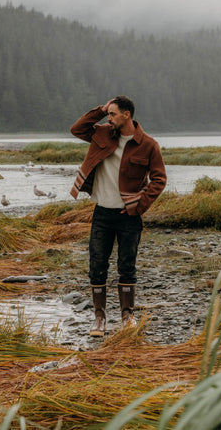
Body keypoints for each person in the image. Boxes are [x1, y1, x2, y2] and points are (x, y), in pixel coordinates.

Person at [70, 96, 167, 337]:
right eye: (108, 114)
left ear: (127, 115)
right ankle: (99, 318)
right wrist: (101, 109)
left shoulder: (148, 144)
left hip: (129, 216)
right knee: (97, 266)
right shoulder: (102, 133)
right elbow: (77, 128)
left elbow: (159, 179)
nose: (108, 118)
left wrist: (140, 205)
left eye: (113, 114)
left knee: (127, 266)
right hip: (102, 212)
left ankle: (127, 317)